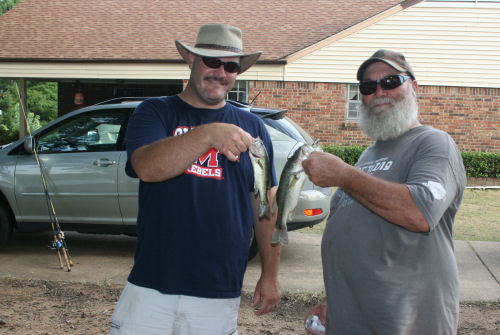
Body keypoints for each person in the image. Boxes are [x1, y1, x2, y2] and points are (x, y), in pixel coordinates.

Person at [110, 23, 281, 335]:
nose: (221, 72)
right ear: (191, 60)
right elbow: (147, 167)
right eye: (211, 62)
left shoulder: (254, 128)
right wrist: (209, 133)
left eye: (231, 66)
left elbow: (266, 205)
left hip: (219, 289)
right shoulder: (155, 112)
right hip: (152, 283)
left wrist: (270, 274)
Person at [303, 49, 466, 334]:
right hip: (356, 317)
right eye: (368, 86)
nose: (379, 91)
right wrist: (335, 302)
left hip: (409, 322)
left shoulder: (434, 144)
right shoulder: (367, 156)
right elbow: (358, 237)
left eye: (391, 82)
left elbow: (420, 211)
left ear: (414, 87)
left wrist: (343, 174)